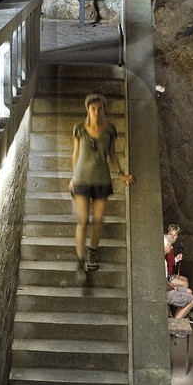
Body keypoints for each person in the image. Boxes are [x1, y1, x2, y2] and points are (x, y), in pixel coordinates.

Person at [70, 91, 133, 272]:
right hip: (81, 179)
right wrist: (73, 178)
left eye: (99, 108)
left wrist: (121, 174)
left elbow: (112, 155)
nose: (96, 112)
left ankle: (93, 253)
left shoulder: (110, 130)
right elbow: (75, 155)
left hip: (102, 180)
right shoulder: (79, 128)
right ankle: (80, 259)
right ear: (88, 110)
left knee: (98, 220)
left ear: (104, 109)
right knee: (83, 220)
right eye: (93, 109)